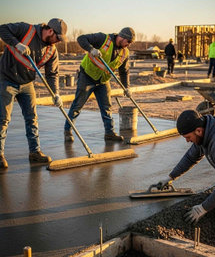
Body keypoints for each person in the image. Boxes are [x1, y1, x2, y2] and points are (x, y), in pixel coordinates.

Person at [158, 110, 215, 230]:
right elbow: (190, 158)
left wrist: (202, 209)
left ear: (198, 131)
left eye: (188, 137)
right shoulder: (206, 133)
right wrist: (170, 177)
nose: (187, 141)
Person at [0, 18, 67, 169]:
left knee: (32, 118)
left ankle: (35, 153)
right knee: (3, 119)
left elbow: (52, 74)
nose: (58, 42)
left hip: (27, 84)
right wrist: (17, 43)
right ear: (50, 31)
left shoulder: (52, 50)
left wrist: (55, 94)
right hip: (6, 80)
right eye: (57, 38)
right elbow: (2, 29)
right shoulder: (26, 29)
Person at [64, 27, 135, 142]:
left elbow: (124, 71)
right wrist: (91, 49)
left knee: (106, 107)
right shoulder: (103, 38)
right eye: (128, 42)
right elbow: (81, 38)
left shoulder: (124, 53)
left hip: (103, 81)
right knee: (78, 105)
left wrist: (126, 87)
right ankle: (68, 131)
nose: (128, 45)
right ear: (122, 37)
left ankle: (109, 133)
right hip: (87, 76)